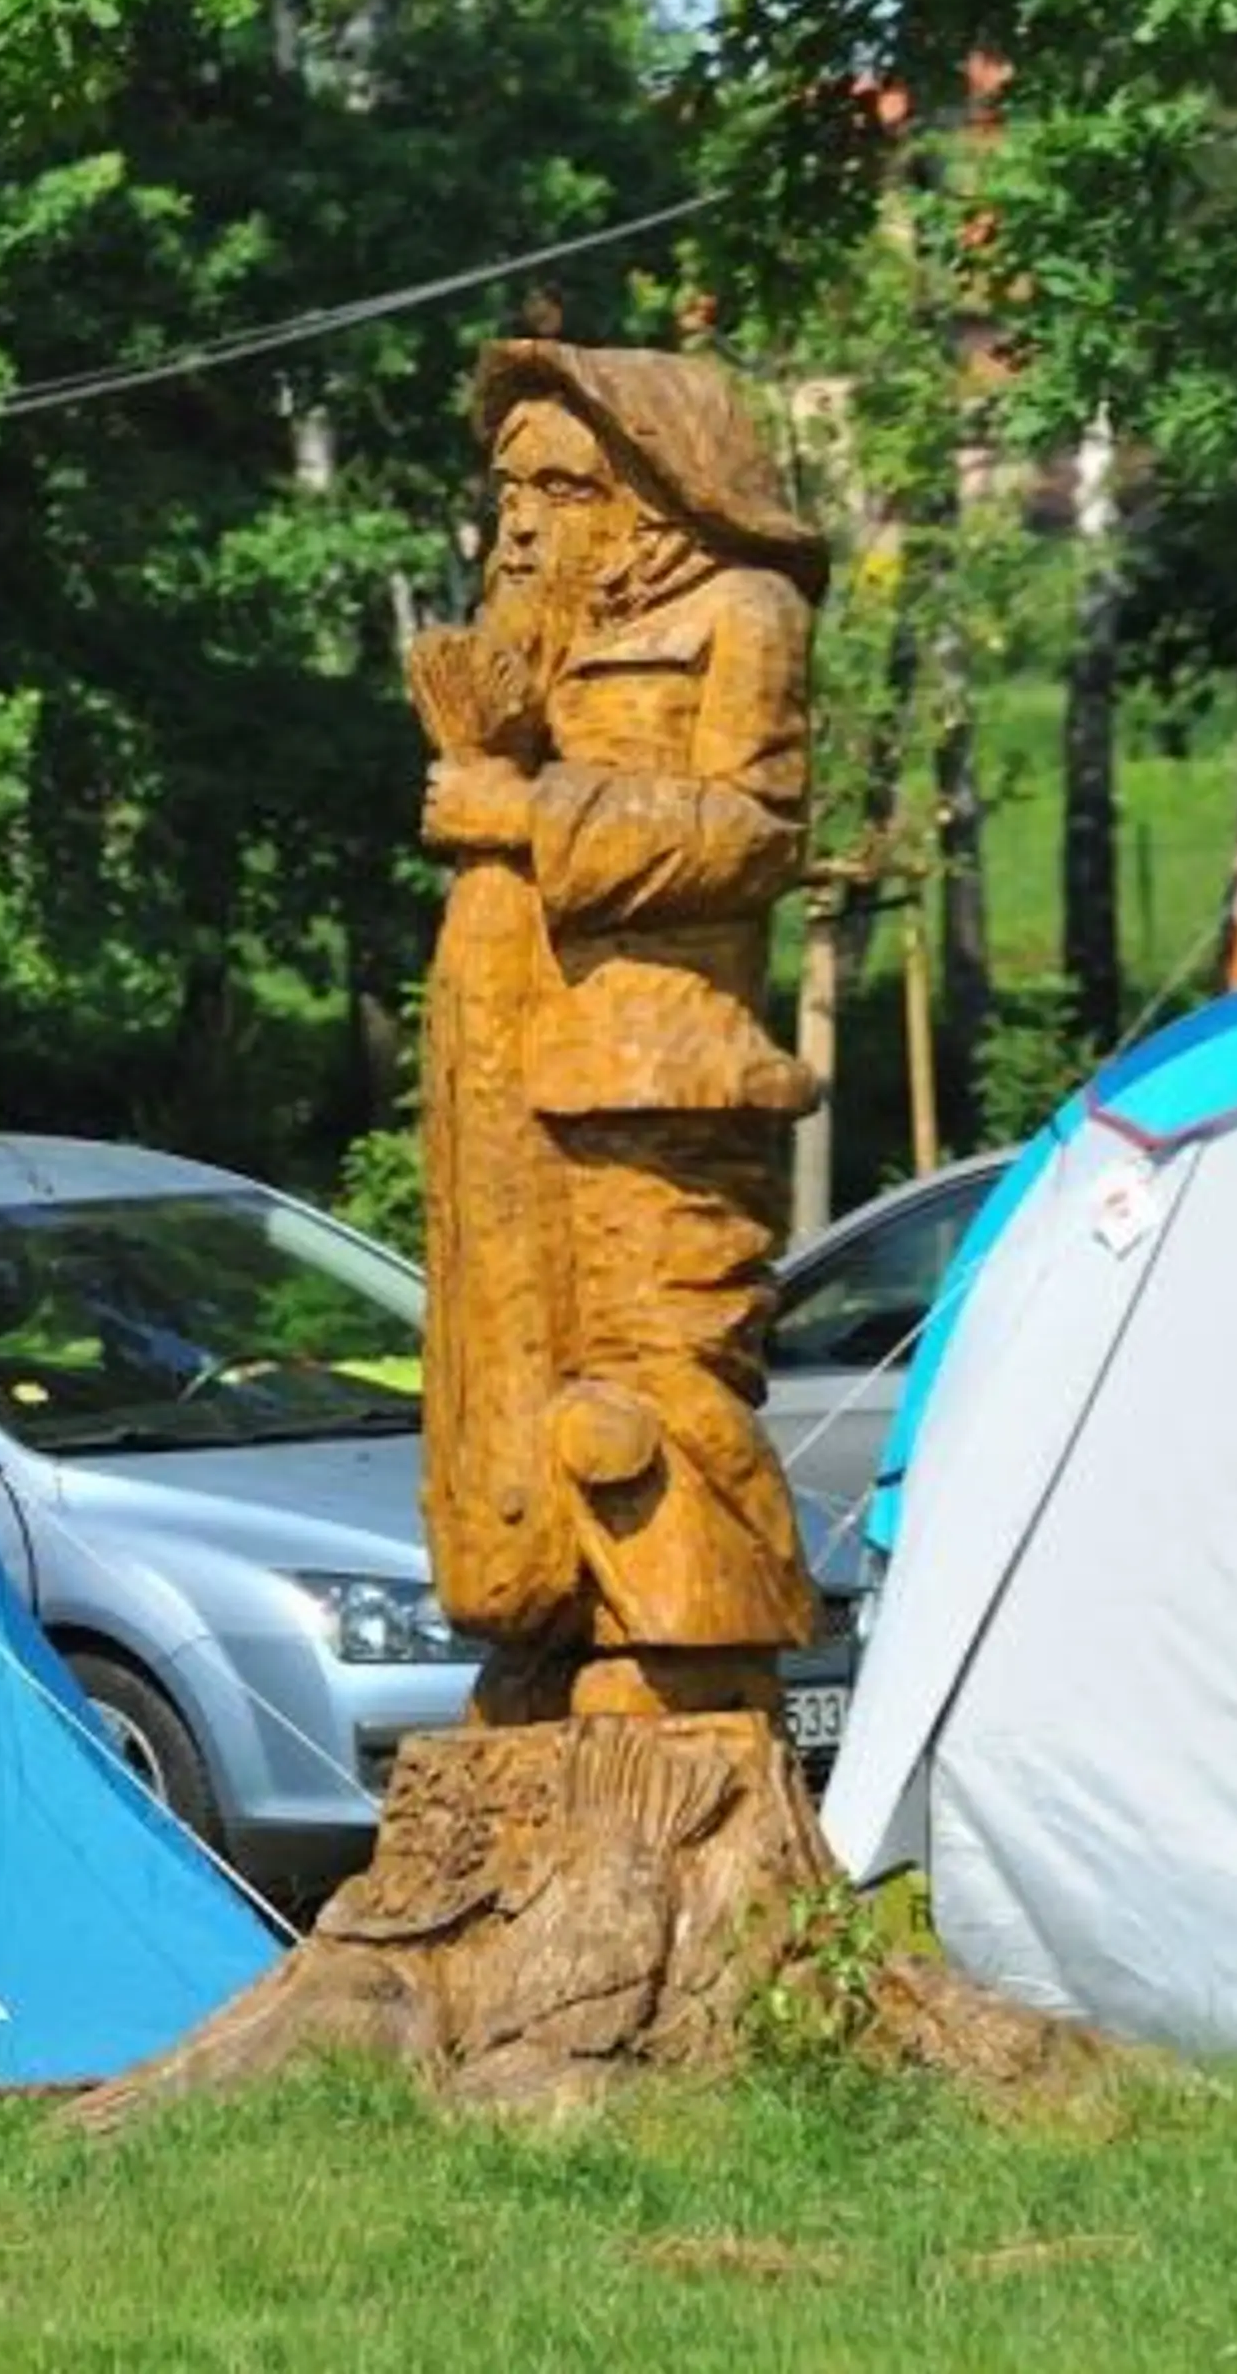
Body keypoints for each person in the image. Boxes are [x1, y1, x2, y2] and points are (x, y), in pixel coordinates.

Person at [406, 340, 826, 1723]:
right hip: (526, 1057)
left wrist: (525, 813)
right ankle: (554, 1617)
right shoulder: (538, 646)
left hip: (666, 1071)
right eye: (505, 486)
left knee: (660, 1371)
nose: (518, 519)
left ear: (650, 486)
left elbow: (758, 831)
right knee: (526, 1369)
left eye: (558, 485)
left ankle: (689, 1640)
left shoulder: (742, 609)